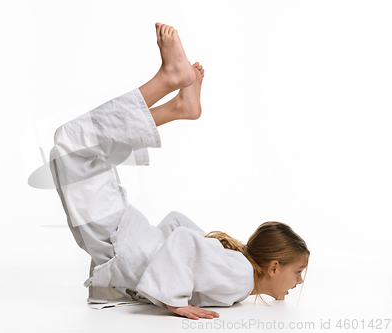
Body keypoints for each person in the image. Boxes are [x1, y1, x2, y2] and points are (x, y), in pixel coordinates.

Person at [49, 22, 310, 320]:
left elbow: (179, 228)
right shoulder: (240, 275)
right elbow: (183, 238)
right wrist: (172, 297)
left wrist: (167, 286)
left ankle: (177, 104)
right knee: (72, 142)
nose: (300, 281)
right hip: (125, 242)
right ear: (274, 267)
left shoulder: (239, 280)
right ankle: (172, 86)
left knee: (76, 145)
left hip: (127, 242)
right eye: (298, 271)